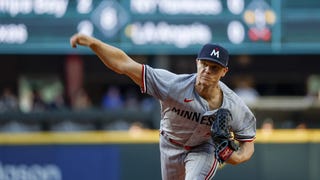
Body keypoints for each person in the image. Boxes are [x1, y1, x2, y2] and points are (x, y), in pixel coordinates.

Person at [70, 34, 256, 180]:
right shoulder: (173, 86)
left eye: (214, 67)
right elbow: (124, 64)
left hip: (203, 147)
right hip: (170, 144)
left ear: (224, 72)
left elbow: (248, 141)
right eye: (204, 64)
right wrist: (94, 44)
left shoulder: (234, 105)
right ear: (197, 62)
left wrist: (237, 157)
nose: (207, 70)